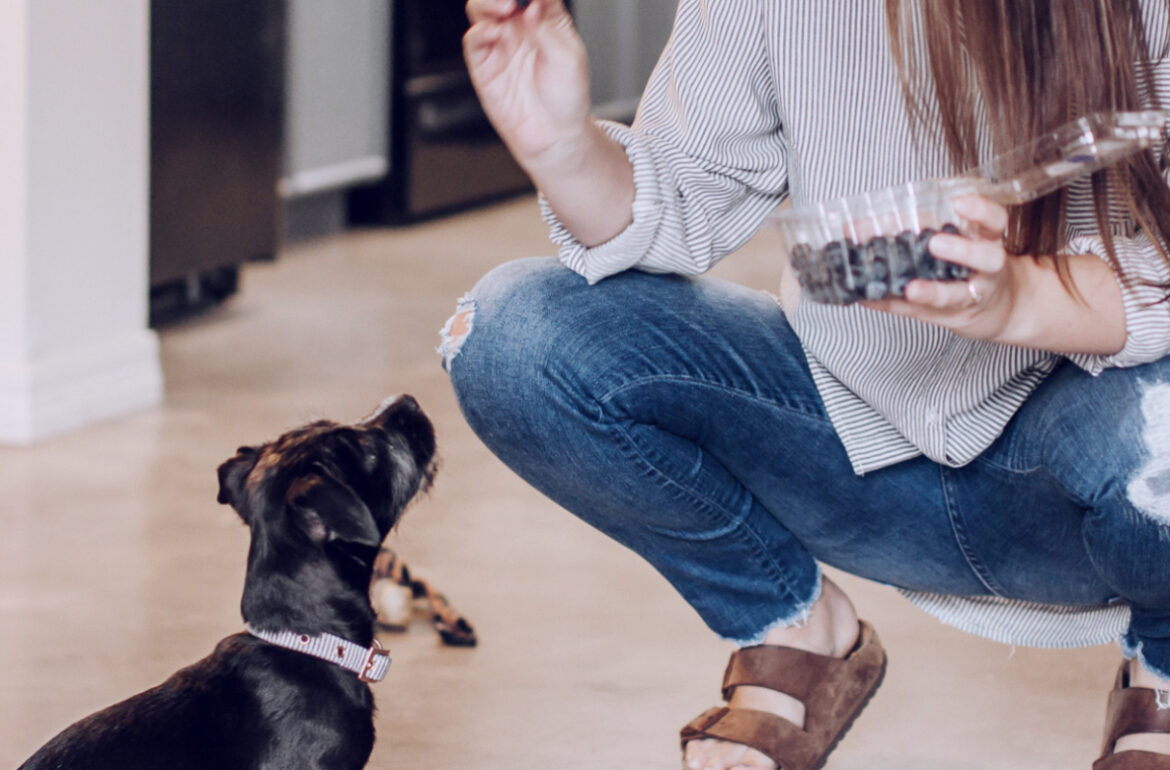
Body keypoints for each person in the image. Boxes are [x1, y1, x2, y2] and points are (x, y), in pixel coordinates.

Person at [447, 1, 1170, 767]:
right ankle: (794, 630)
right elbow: (683, 202)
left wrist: (1020, 300)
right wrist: (564, 148)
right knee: (510, 335)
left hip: (1097, 482)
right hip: (855, 453)